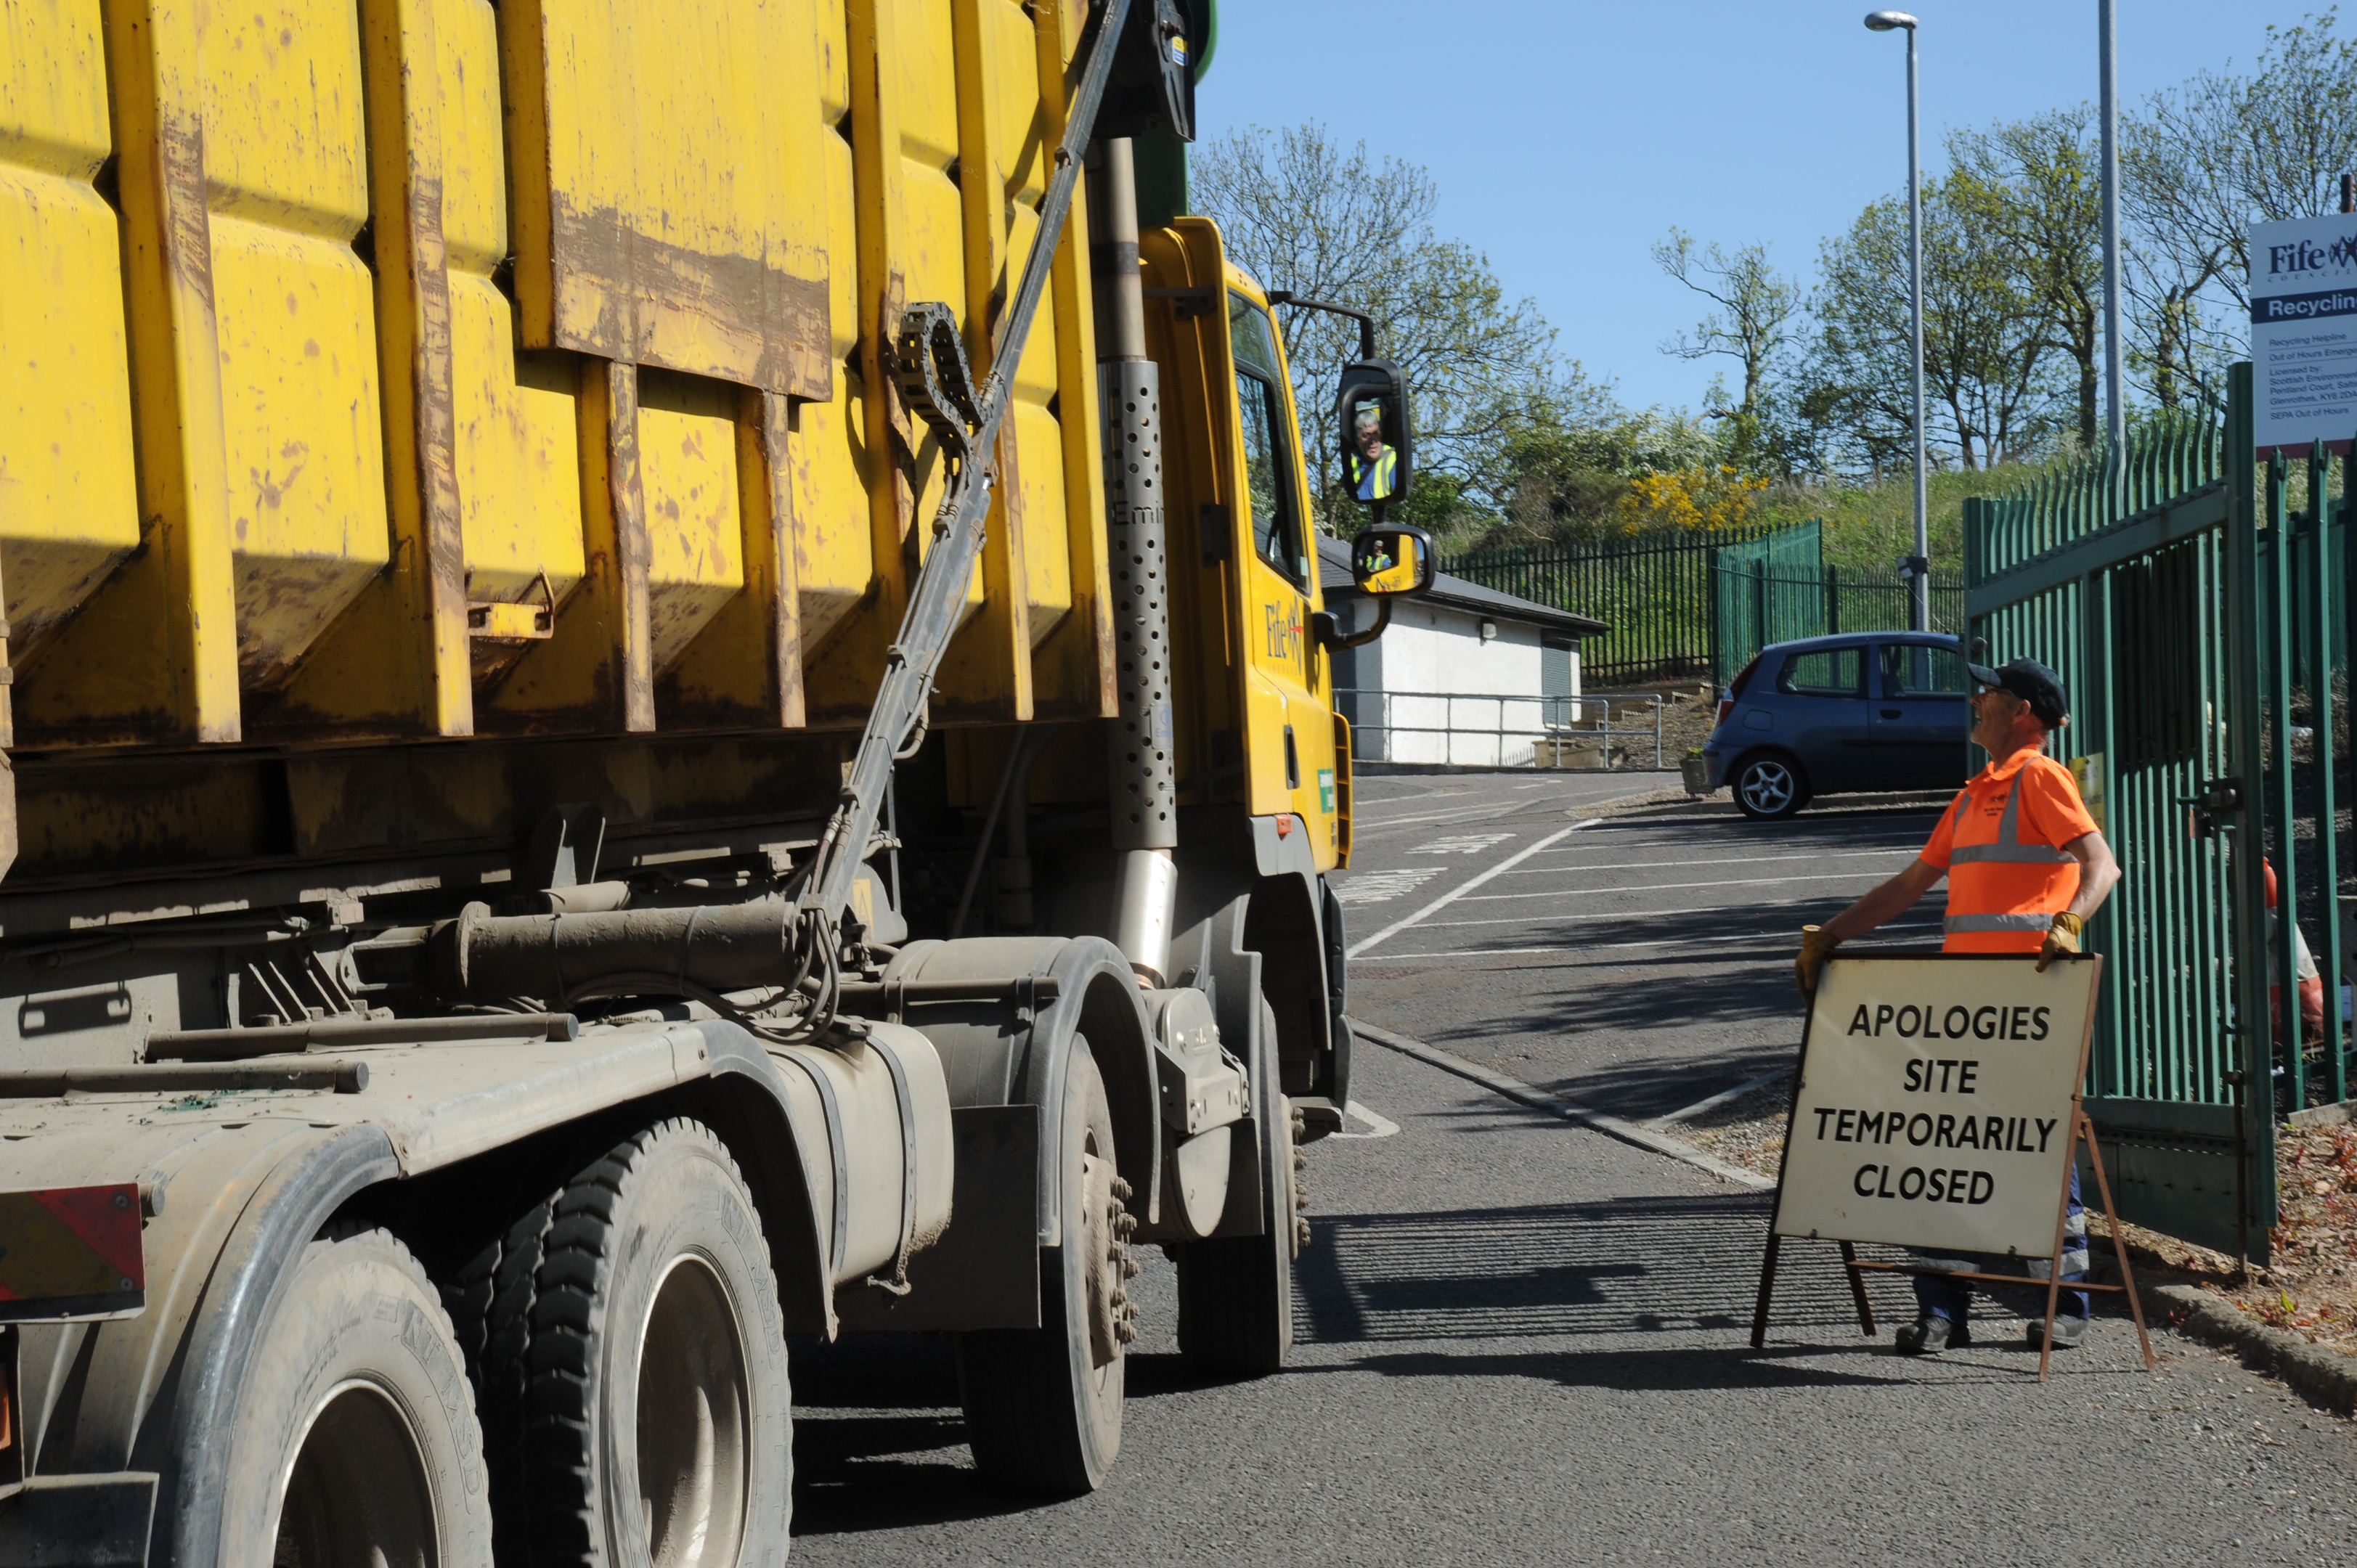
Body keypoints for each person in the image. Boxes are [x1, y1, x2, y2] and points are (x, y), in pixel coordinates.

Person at [1793, 656, 2122, 1355]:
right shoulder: (1975, 794)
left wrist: (2069, 925)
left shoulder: (2040, 775)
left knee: (2037, 1145)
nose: (1978, 700)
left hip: (2030, 1002)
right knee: (1945, 1148)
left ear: (2024, 713)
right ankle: (1944, 1311)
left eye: (1992, 693)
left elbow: (2102, 865)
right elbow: (1909, 886)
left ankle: (2064, 1307)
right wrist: (1831, 936)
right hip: (1967, 1003)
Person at [1346, 404, 1396, 501]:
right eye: (1367, 435)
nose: (1373, 441)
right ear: (1357, 440)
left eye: (1376, 434)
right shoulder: (1351, 462)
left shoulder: (1392, 460)